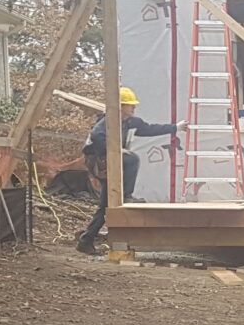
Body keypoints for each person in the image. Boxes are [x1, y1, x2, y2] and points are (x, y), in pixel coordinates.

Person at [77, 88, 180, 255]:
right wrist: (115, 150)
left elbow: (149, 129)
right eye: (130, 105)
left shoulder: (131, 122)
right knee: (131, 159)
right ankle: (126, 194)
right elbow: (97, 137)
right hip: (98, 161)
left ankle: (86, 240)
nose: (134, 108)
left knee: (105, 205)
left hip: (111, 161)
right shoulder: (107, 121)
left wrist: (175, 128)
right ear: (120, 106)